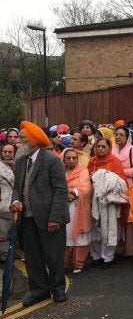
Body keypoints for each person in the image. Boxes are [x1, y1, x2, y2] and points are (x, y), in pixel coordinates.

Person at [10, 121, 70, 305]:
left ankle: (58, 289)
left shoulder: (51, 160)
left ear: (33, 142)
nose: (18, 142)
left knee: (53, 256)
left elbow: (61, 191)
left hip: (50, 218)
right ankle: (39, 291)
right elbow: (17, 187)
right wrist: (15, 200)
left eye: (22, 138)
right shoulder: (21, 162)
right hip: (28, 218)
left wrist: (54, 218)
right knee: (33, 258)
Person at [88, 137, 128, 269]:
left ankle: (108, 256)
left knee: (110, 228)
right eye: (98, 146)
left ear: (109, 148)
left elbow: (121, 182)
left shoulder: (114, 161)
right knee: (96, 228)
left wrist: (104, 176)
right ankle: (97, 255)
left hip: (109, 201)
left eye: (103, 146)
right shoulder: (91, 162)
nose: (100, 149)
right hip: (94, 200)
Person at [112, 125, 133, 257]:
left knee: (130, 219)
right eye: (116, 134)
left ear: (127, 137)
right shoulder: (111, 150)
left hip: (129, 189)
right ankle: (118, 247)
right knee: (118, 219)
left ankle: (130, 249)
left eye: (121, 135)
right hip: (114, 189)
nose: (118, 137)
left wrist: (120, 173)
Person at [61, 148, 92, 274]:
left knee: (80, 236)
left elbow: (86, 188)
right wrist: (64, 194)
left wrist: (72, 192)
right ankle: (62, 263)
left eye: (74, 158)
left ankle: (78, 263)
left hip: (78, 207)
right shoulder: (58, 171)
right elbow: (54, 186)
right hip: (63, 208)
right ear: (63, 159)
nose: (72, 160)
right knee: (64, 236)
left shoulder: (82, 170)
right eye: (68, 158)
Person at [0, 148, 14, 263]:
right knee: (2, 232)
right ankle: (3, 253)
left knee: (12, 232)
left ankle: (10, 252)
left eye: (10, 152)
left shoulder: (20, 165)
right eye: (5, 151)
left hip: (16, 205)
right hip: (3, 205)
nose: (7, 154)